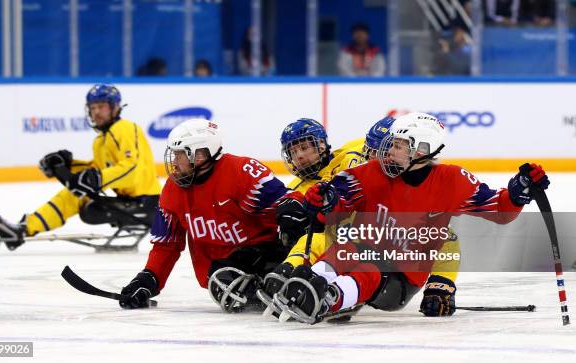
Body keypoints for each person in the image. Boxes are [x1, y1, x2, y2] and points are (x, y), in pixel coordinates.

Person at [274, 112, 549, 324]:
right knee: (345, 249)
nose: (388, 151)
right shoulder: (372, 172)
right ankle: (309, 282)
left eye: (397, 145)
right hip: (363, 249)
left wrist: (518, 191)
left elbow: (500, 210)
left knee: (369, 270)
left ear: (421, 150)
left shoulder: (451, 181)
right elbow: (336, 199)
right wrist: (322, 201)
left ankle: (331, 299)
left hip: (400, 278)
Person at [259, 116, 462, 319]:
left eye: (386, 152)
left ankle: (334, 292)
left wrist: (441, 286)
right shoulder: (356, 165)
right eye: (371, 152)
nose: (375, 159)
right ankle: (290, 275)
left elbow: (446, 239)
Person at [118, 119, 301, 312]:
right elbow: (166, 245)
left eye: (180, 154)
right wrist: (148, 279)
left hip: (269, 254)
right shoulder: (172, 190)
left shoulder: (240, 171)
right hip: (223, 275)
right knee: (222, 275)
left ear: (200, 154)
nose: (174, 161)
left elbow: (291, 207)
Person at [0, 84, 161, 250]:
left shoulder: (124, 128)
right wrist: (67, 166)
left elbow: (132, 168)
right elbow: (97, 168)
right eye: (93, 108)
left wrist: (96, 178)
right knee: (76, 195)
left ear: (115, 107)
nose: (97, 112)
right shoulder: (101, 140)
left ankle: (23, 229)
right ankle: (23, 228)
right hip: (130, 202)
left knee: (81, 200)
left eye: (101, 107)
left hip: (147, 204)